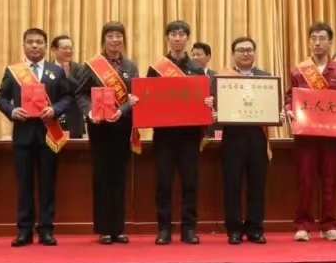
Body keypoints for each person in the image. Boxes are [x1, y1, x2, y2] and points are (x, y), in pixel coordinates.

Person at [0, 27, 74, 247]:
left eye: (39, 42)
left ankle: (46, 229)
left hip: (49, 135)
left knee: (47, 184)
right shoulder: (14, 71)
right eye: (30, 42)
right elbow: (0, 98)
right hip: (23, 136)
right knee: (24, 186)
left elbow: (68, 97)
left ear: (46, 46)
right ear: (23, 45)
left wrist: (55, 109)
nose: (34, 46)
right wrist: (12, 111)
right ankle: (24, 230)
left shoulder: (56, 70)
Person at [72, 22, 141, 244]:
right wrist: (89, 111)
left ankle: (118, 228)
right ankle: (103, 229)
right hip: (99, 127)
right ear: (104, 39)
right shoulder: (91, 66)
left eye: (119, 36)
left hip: (121, 126)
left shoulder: (130, 66)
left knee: (119, 177)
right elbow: (80, 94)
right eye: (110, 36)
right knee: (102, 177)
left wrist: (122, 110)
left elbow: (134, 97)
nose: (115, 40)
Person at [284, 22, 336, 242]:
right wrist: (288, 109)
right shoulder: (299, 70)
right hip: (306, 136)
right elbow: (289, 98)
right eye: (313, 38)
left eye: (322, 38)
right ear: (309, 42)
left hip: (331, 136)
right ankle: (303, 225)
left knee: (330, 181)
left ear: (330, 42)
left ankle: (329, 225)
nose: (317, 43)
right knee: (305, 181)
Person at [148, 20, 209, 245]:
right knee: (163, 184)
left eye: (182, 34)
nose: (177, 38)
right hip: (164, 135)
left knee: (190, 184)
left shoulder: (196, 68)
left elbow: (203, 99)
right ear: (167, 38)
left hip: (189, 136)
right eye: (173, 34)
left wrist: (207, 102)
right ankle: (164, 229)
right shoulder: (156, 68)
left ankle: (188, 229)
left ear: (187, 39)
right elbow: (148, 98)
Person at [215, 36, 274, 244]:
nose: (245, 53)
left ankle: (255, 228)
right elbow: (214, 107)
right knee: (231, 186)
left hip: (258, 138)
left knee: (257, 185)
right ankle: (234, 229)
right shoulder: (222, 79)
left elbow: (272, 107)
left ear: (254, 53)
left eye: (249, 50)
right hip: (232, 138)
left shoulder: (266, 78)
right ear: (233, 54)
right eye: (241, 50)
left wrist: (277, 113)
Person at [52, 34, 86, 139]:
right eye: (65, 48)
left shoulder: (80, 68)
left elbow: (81, 90)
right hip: (52, 120)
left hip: (74, 121)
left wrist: (68, 76)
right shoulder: (47, 68)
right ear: (54, 50)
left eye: (70, 48)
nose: (68, 51)